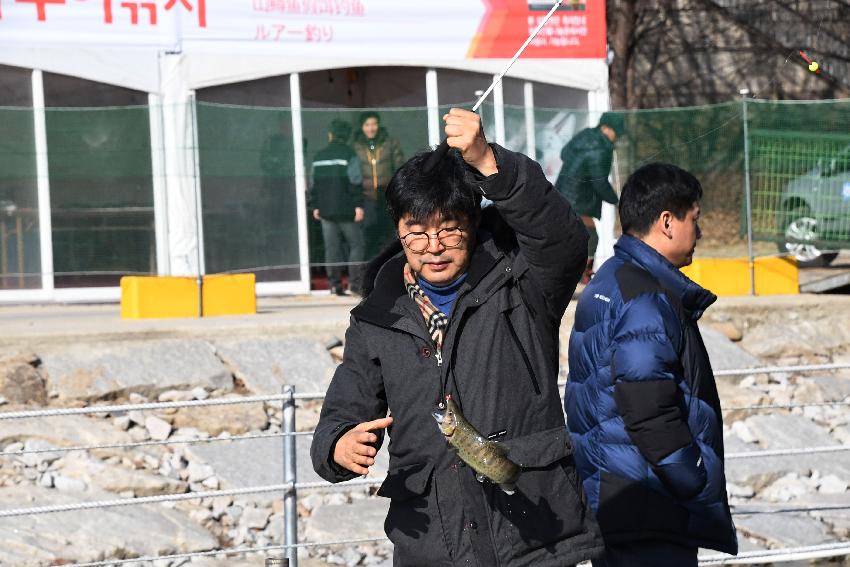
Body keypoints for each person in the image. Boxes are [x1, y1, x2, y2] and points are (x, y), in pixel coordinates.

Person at [311, 108, 603, 566]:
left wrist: (489, 162)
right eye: (417, 232)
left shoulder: (522, 283)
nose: (433, 246)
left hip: (534, 540)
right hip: (433, 546)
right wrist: (337, 445)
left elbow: (563, 241)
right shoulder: (375, 319)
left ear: (473, 222)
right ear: (398, 230)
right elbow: (345, 409)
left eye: (449, 229)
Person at [564, 163, 738, 566]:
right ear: (667, 222)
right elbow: (648, 407)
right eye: (695, 219)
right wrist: (692, 477)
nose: (701, 231)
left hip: (617, 496)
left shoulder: (612, 278)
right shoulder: (644, 295)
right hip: (649, 504)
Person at [554, 112, 624, 283]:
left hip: (562, 193)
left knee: (570, 240)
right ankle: (580, 278)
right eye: (617, 132)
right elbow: (599, 182)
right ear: (606, 128)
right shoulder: (602, 147)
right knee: (590, 238)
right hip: (578, 200)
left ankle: (571, 277)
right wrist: (618, 202)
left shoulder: (585, 135)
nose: (618, 137)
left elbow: (564, 154)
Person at [310, 119, 365, 295]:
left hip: (325, 210)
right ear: (347, 136)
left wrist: (316, 205)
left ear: (330, 135)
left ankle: (334, 285)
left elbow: (313, 183)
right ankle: (354, 284)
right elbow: (355, 181)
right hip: (346, 209)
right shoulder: (349, 154)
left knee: (331, 248)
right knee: (356, 245)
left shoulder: (318, 156)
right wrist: (358, 205)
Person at [353, 111, 405, 258]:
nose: (371, 128)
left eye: (374, 124)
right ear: (362, 127)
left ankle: (390, 265)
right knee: (369, 235)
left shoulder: (390, 142)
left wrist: (397, 192)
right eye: (367, 125)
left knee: (389, 234)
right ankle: (370, 267)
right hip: (366, 197)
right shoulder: (356, 145)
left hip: (386, 196)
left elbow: (399, 167)